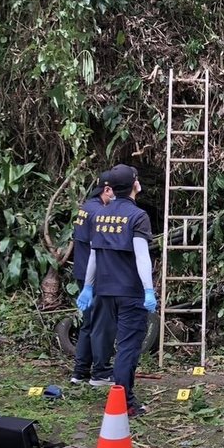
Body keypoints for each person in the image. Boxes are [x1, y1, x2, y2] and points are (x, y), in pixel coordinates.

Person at [76, 164, 157, 417]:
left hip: (104, 289)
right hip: (130, 291)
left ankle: (100, 379)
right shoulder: (138, 216)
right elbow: (142, 257)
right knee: (127, 347)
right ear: (134, 184)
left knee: (110, 338)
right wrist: (149, 290)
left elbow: (94, 255)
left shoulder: (100, 214)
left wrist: (88, 287)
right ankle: (125, 402)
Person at [69, 172, 117, 386]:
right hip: (94, 275)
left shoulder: (85, 208)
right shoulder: (99, 212)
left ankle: (80, 372)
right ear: (107, 190)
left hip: (81, 273)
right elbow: (99, 248)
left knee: (88, 323)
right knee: (101, 324)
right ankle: (101, 372)